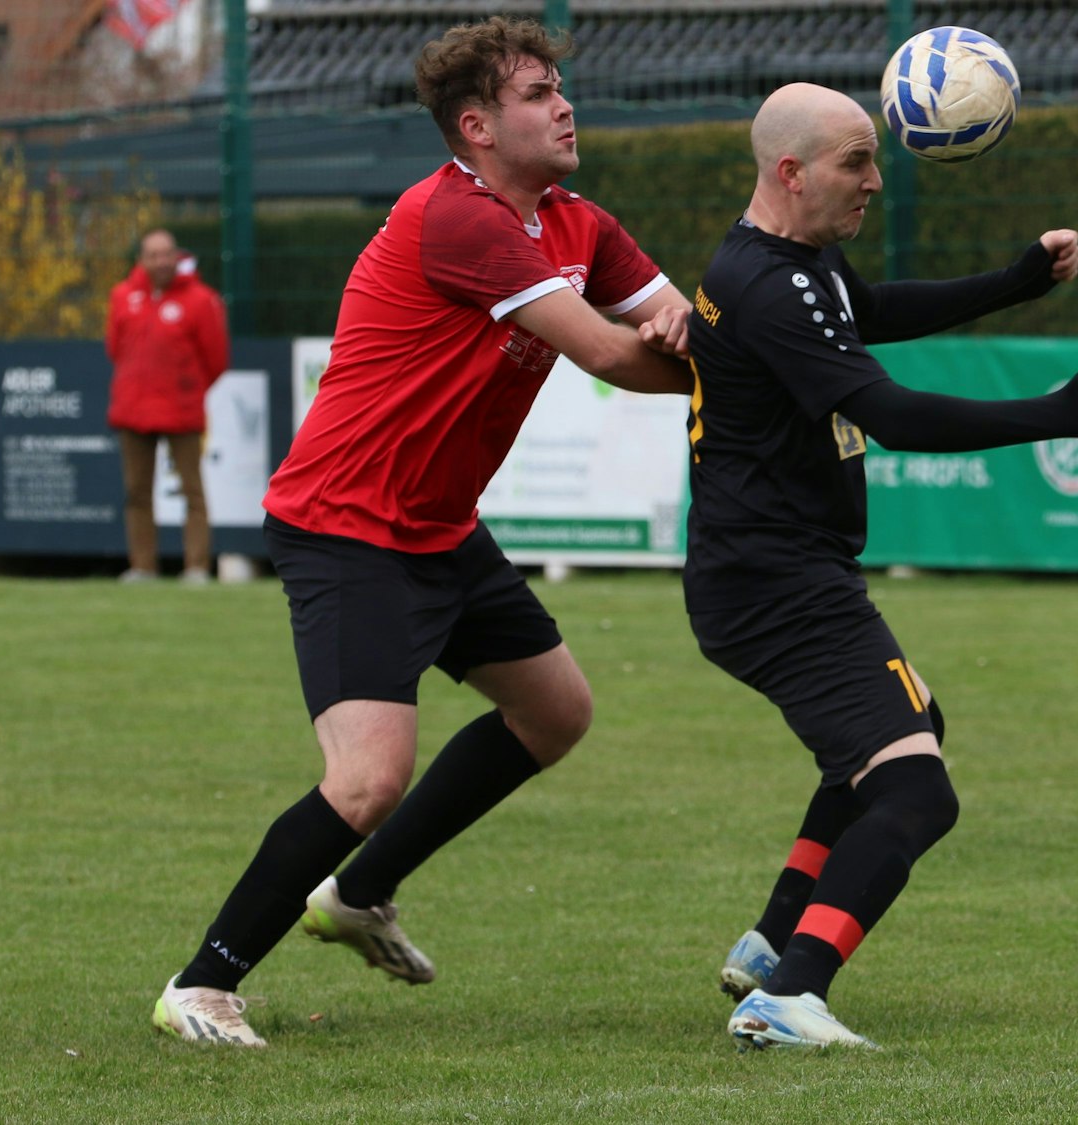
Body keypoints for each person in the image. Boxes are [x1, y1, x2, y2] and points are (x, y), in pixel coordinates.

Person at [148, 16, 693, 1047]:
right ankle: (202, 984)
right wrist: (738, 368)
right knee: (365, 778)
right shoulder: (458, 220)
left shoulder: (579, 221)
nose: (565, 103)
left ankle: (357, 894)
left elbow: (673, 322)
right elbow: (617, 359)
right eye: (539, 93)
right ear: (478, 126)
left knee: (555, 713)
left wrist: (700, 333)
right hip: (347, 522)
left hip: (437, 526)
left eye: (560, 84)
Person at [684, 83, 1078, 1049]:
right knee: (916, 790)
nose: (876, 180)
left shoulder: (791, 263)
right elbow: (889, 415)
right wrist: (1059, 412)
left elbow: (872, 307)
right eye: (857, 161)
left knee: (901, 735)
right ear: (790, 170)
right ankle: (792, 990)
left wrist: (1013, 282)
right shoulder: (769, 284)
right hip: (777, 585)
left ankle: (773, 941)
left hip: (769, 574)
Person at [106, 228, 230, 584]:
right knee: (137, 492)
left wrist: (187, 389)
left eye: (167, 254)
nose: (161, 261)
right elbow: (115, 348)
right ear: (141, 260)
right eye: (154, 255)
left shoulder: (201, 300)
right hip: (132, 409)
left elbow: (216, 359)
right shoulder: (122, 296)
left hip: (182, 410)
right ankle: (143, 567)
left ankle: (196, 568)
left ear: (177, 257)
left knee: (192, 490)